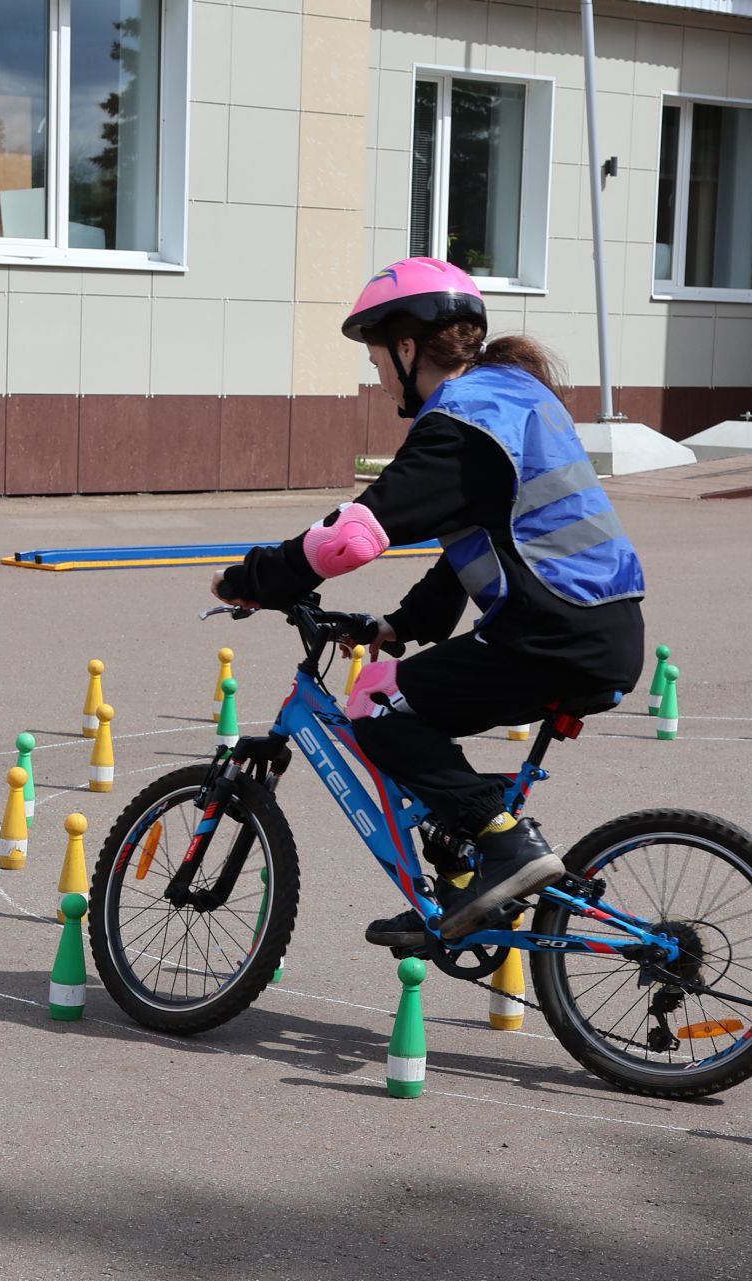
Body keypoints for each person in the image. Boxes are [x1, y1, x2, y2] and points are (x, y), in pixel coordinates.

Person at [212, 257, 646, 945]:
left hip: (548, 633)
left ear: (408, 346)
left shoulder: (460, 425)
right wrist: (404, 625)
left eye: (379, 356)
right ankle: (465, 884)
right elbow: (480, 541)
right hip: (600, 628)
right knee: (413, 699)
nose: (379, 375)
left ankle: (507, 846)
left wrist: (257, 577)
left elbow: (353, 537)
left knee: (376, 703)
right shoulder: (512, 397)